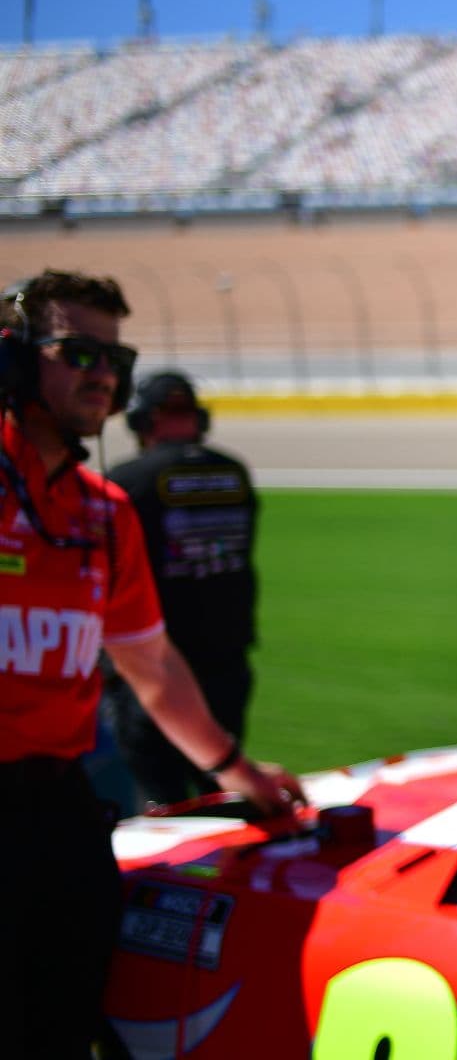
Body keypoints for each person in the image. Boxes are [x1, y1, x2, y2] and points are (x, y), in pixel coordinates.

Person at [0, 269, 305, 1059]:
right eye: (77, 351)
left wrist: (239, 773)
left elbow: (151, 667)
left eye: (114, 356)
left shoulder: (105, 512)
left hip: (62, 818)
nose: (103, 374)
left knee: (65, 1030)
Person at [100, 370, 260, 808]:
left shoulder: (125, 481)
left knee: (160, 799)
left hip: (157, 667)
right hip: (228, 661)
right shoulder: (235, 473)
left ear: (140, 422)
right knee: (224, 786)